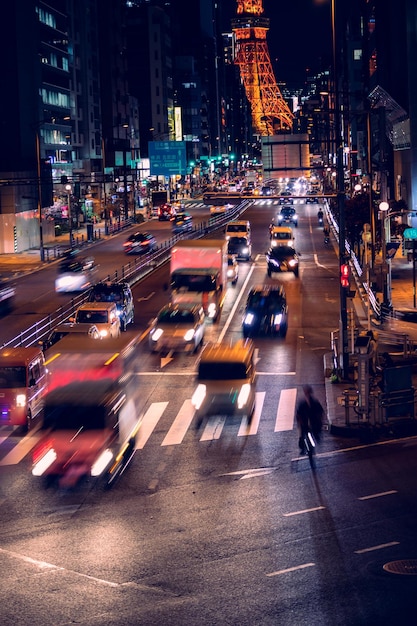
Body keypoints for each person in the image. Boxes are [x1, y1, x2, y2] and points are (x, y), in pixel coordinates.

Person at [295, 385, 324, 455]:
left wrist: (320, 419)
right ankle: (303, 449)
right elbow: (298, 413)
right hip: (304, 422)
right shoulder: (303, 403)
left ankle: (316, 437)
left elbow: (320, 411)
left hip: (313, 421)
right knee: (302, 435)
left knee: (315, 431)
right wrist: (299, 421)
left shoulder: (314, 402)